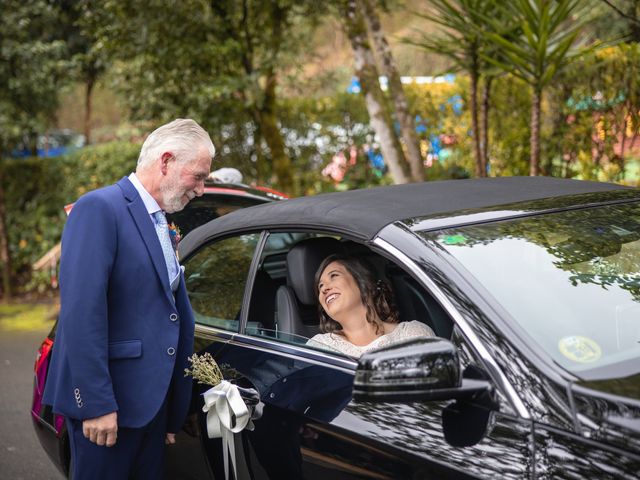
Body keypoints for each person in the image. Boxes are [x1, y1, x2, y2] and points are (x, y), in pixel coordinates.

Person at [42, 118, 215, 479]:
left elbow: (167, 311)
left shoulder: (161, 221)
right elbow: (82, 312)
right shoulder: (99, 208)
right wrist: (95, 405)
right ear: (165, 161)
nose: (201, 189)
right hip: (109, 409)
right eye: (197, 176)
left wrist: (170, 411)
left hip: (149, 409)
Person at [307, 254, 435, 358]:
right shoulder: (319, 347)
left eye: (334, 276)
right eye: (320, 286)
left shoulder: (414, 335)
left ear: (364, 282)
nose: (324, 289)